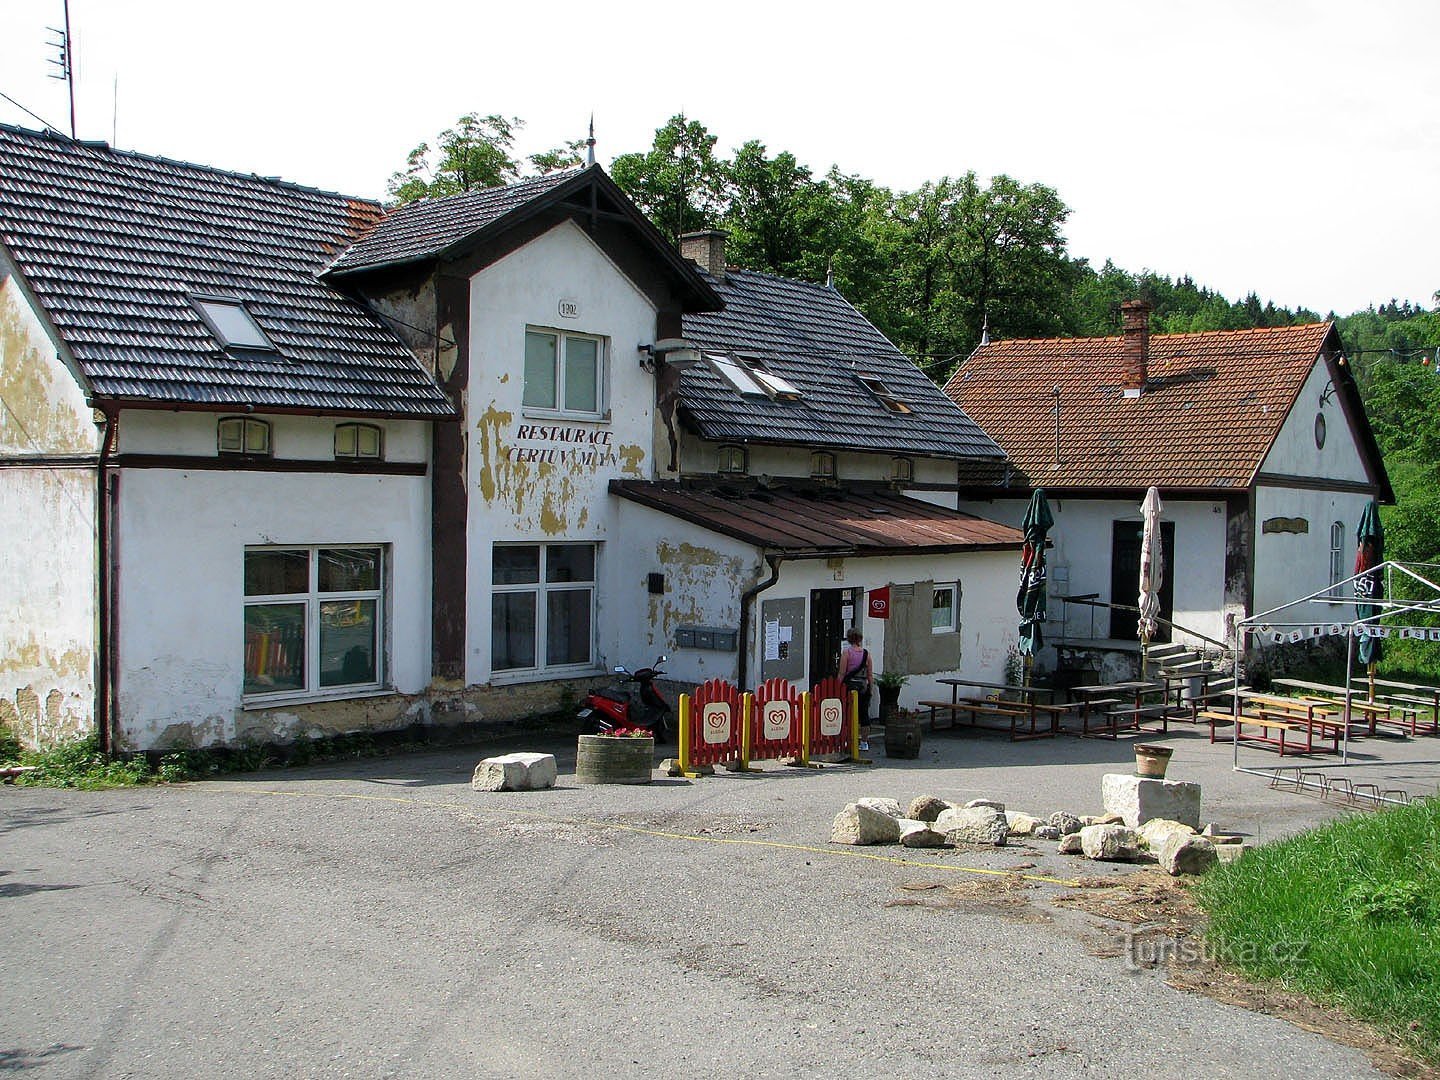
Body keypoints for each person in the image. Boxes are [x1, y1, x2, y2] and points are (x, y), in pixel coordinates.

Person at [836, 628, 873, 728]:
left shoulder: (846, 653)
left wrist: (838, 687)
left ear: (848, 639)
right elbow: (869, 675)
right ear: (860, 639)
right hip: (863, 687)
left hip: (849, 686)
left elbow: (842, 673)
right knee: (864, 714)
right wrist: (870, 689)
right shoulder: (867, 654)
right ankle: (864, 742)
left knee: (848, 712)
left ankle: (848, 739)